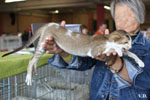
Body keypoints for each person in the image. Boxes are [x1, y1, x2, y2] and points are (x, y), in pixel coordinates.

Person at [42, 0, 150, 100]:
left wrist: (113, 61)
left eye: (128, 15)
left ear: (140, 17)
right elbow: (84, 62)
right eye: (118, 17)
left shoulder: (147, 47)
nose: (122, 21)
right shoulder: (105, 39)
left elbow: (145, 81)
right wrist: (64, 50)